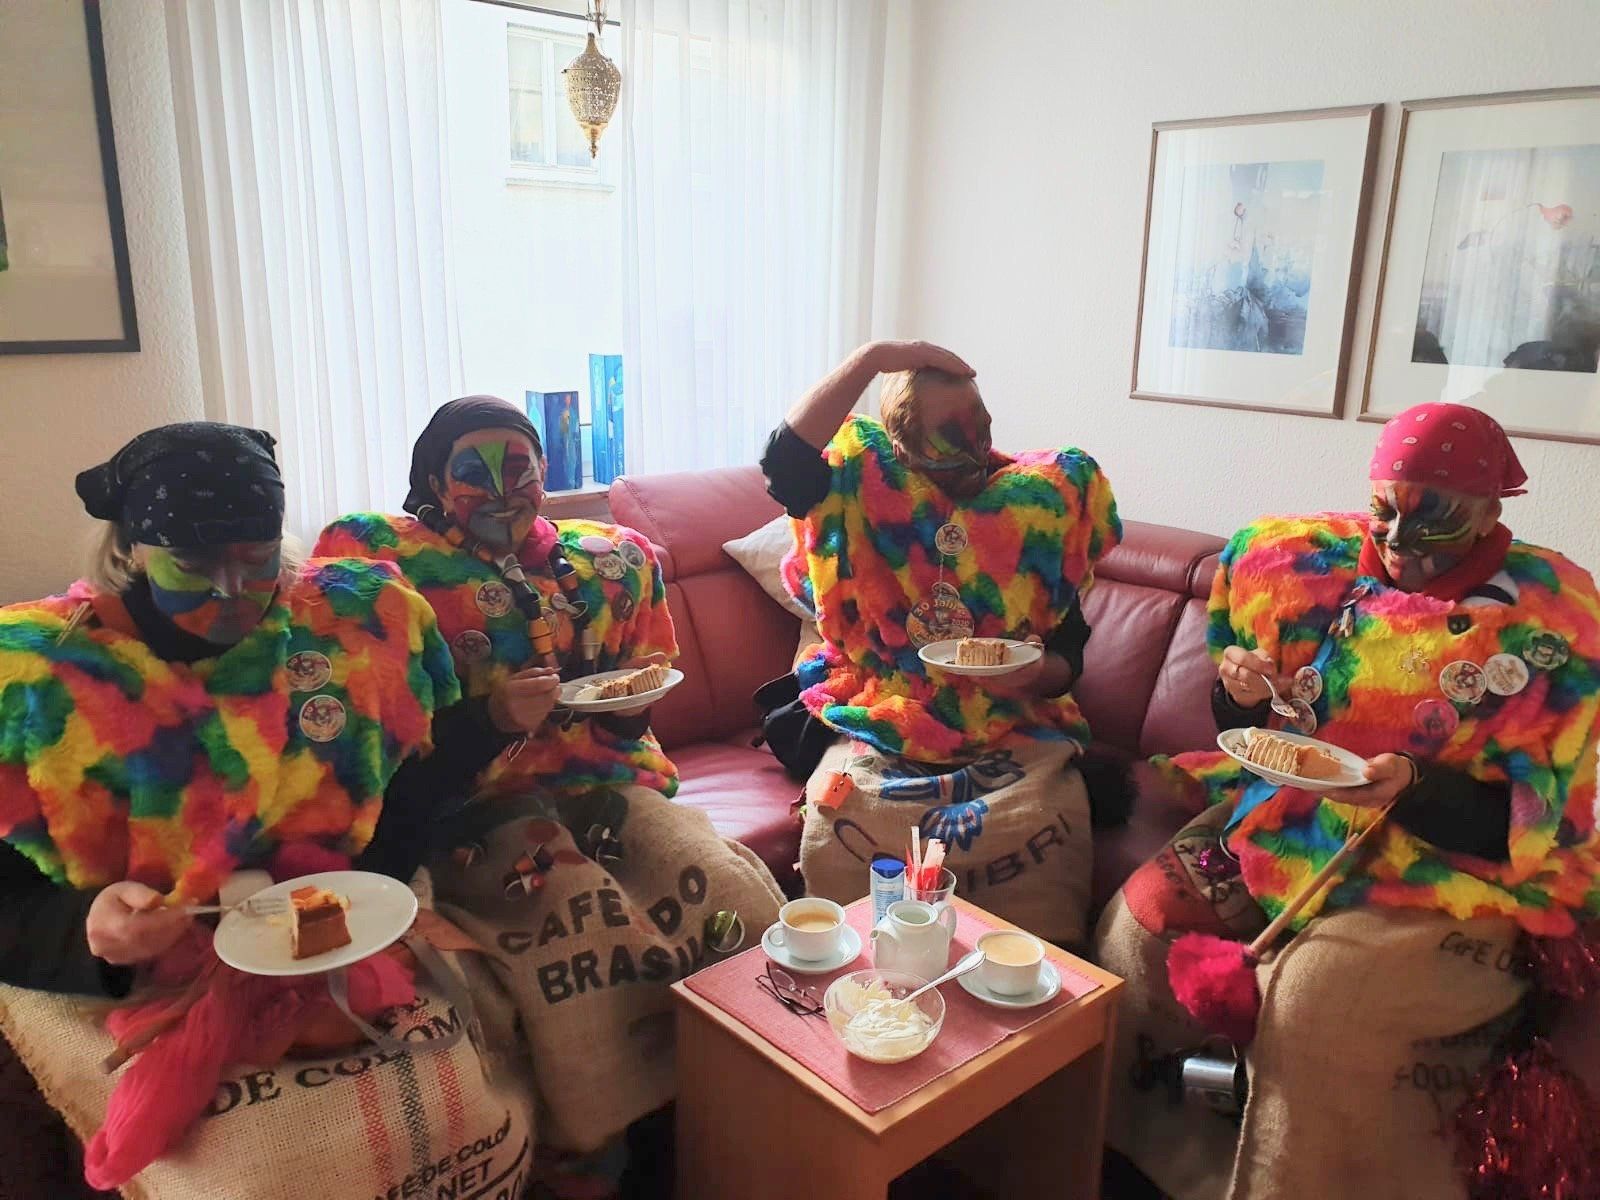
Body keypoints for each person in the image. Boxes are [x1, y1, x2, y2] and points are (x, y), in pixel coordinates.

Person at [0, 422, 545, 1196]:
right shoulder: (32, 677)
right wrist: (84, 928)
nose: (231, 591)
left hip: (341, 932)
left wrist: (489, 725)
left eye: (257, 559)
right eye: (194, 565)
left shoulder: (359, 623)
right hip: (147, 974)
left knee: (458, 1117)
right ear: (128, 549)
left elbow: (404, 791)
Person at [1094, 402, 1600, 1200]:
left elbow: (1536, 819)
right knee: (1138, 928)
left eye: (1434, 520)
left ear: (1490, 513)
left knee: (1315, 1001)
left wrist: (1416, 787)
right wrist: (1238, 693)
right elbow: (1253, 732)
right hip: (1287, 817)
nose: (1399, 539)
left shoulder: (1552, 620)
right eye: (1384, 511)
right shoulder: (1299, 570)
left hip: (1445, 861)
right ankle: (1150, 1164)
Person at [315, 396, 782, 1178]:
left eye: (521, 468)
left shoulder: (615, 560)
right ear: (433, 481)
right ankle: (596, 1144)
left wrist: (629, 706)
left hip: (609, 784)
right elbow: (382, 743)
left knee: (725, 886)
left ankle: (749, 1099)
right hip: (476, 806)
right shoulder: (382, 570)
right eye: (474, 472)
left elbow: (632, 719)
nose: (503, 490)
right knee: (577, 925)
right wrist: (492, 717)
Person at [763, 341, 1120, 945]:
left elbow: (1069, 652)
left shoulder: (1036, 504)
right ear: (902, 445)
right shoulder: (860, 486)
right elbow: (783, 460)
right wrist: (875, 357)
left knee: (1045, 822)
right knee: (838, 817)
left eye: (980, 423)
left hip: (1008, 724)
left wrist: (1036, 674)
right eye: (949, 434)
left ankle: (1034, 972)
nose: (974, 448)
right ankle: (856, 959)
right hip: (885, 713)